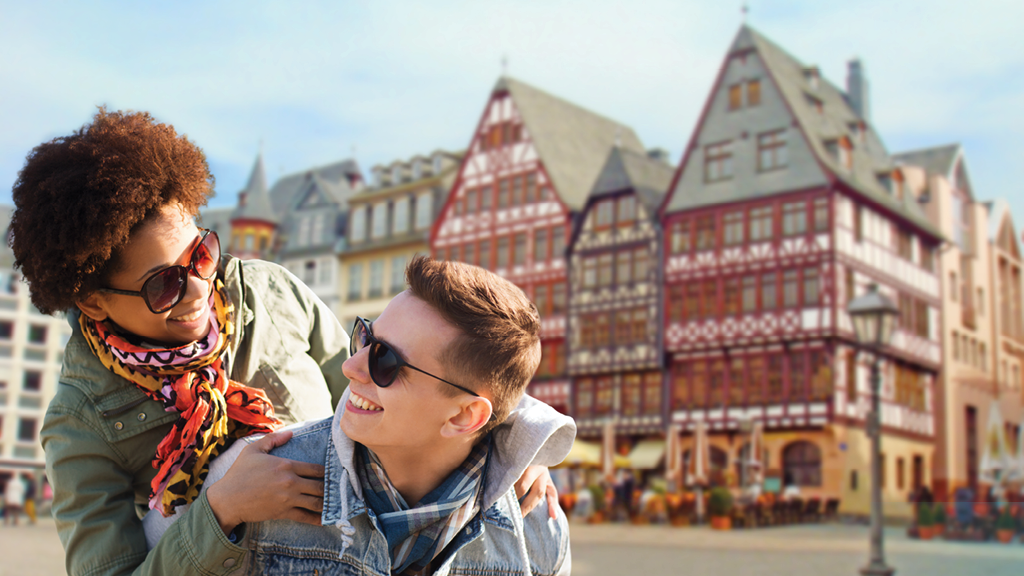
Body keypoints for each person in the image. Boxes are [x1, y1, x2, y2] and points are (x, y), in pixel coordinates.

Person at [12, 109, 557, 575]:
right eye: (164, 284)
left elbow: (398, 370)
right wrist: (220, 511)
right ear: (93, 301)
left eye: (200, 254)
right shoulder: (81, 420)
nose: (199, 287)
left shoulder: (270, 293)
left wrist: (505, 442)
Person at [144, 257, 574, 575]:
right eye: (366, 337)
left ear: (465, 417)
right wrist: (219, 514)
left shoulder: (537, 531)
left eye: (386, 361)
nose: (352, 367)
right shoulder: (252, 477)